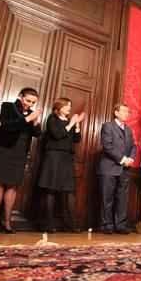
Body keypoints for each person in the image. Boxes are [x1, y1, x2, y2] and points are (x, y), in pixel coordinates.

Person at [0, 88, 42, 233]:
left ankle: (7, 221)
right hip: (3, 149)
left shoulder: (31, 113)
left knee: (13, 186)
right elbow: (7, 126)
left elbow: (37, 133)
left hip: (20, 152)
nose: (30, 104)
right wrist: (27, 118)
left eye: (33, 102)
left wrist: (34, 121)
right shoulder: (8, 106)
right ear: (20, 97)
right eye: (28, 100)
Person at [37, 98, 84, 233]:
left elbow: (77, 139)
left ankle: (72, 225)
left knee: (70, 191)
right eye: (66, 105)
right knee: (50, 189)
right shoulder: (52, 119)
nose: (69, 107)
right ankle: (48, 225)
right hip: (53, 157)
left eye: (70, 105)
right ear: (59, 107)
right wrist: (71, 124)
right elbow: (58, 135)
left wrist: (77, 126)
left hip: (67, 158)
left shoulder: (70, 121)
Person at [97, 103, 136, 234]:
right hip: (109, 168)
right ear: (116, 113)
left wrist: (131, 159)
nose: (127, 114)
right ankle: (107, 225)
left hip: (125, 170)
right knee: (106, 199)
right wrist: (123, 159)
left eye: (128, 112)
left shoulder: (129, 130)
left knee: (123, 200)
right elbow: (107, 146)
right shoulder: (107, 126)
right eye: (124, 111)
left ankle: (120, 226)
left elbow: (133, 147)